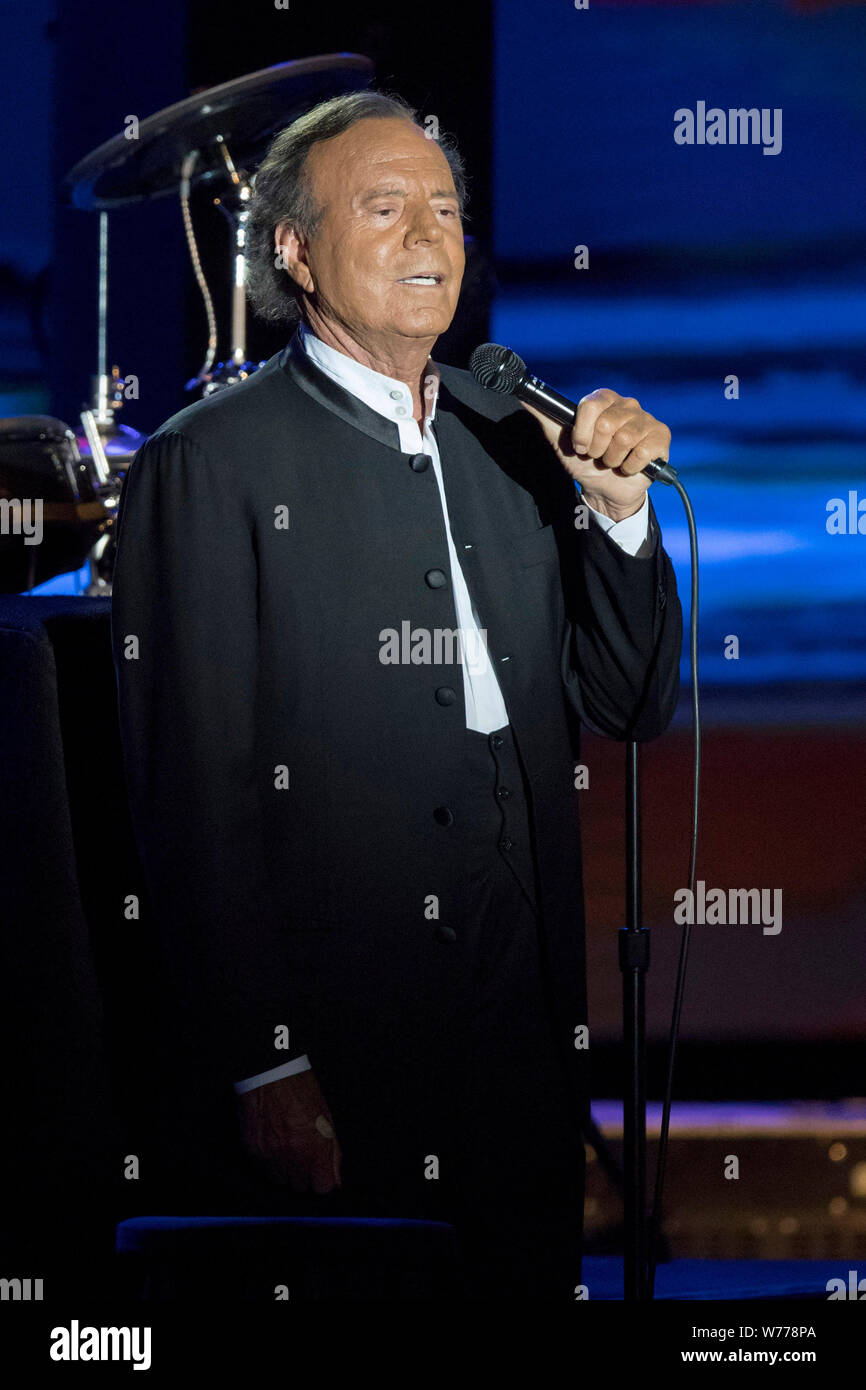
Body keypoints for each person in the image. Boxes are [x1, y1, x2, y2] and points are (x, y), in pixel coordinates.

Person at [111, 89, 682, 1300]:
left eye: (445, 209)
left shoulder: (513, 433)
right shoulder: (208, 462)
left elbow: (628, 704)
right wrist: (267, 1064)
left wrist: (619, 517)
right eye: (385, 207)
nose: (430, 236)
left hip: (518, 1014)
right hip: (337, 1019)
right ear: (293, 250)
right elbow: (189, 795)